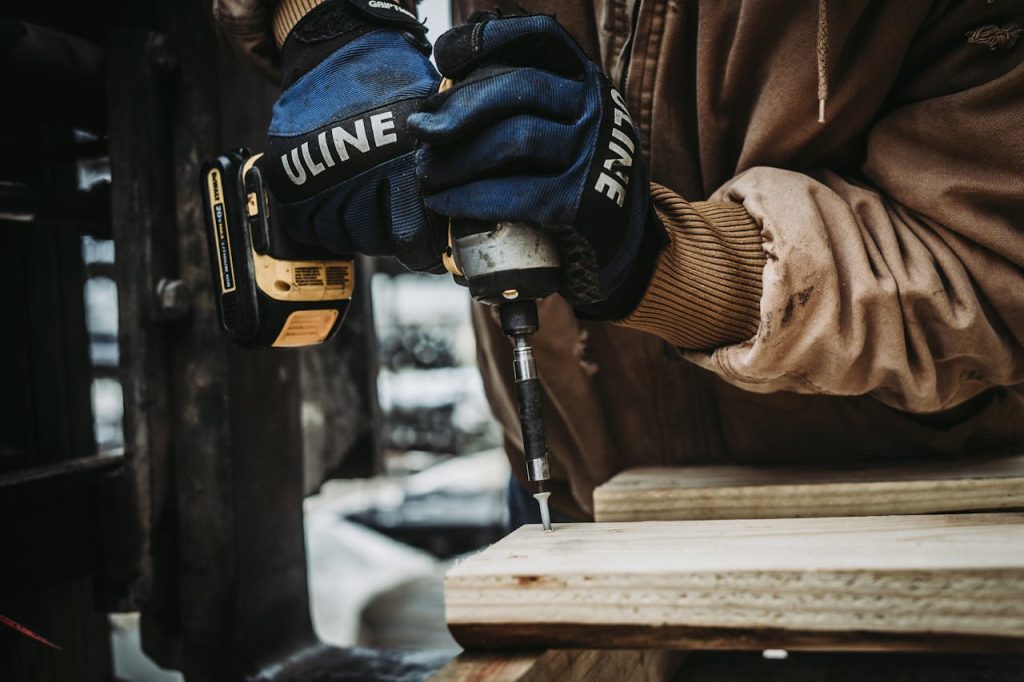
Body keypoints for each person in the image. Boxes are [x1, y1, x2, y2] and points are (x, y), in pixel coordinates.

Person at [216, 0, 1024, 522]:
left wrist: (668, 263)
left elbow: (996, 271)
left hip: (896, 518)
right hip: (566, 486)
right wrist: (323, 23)